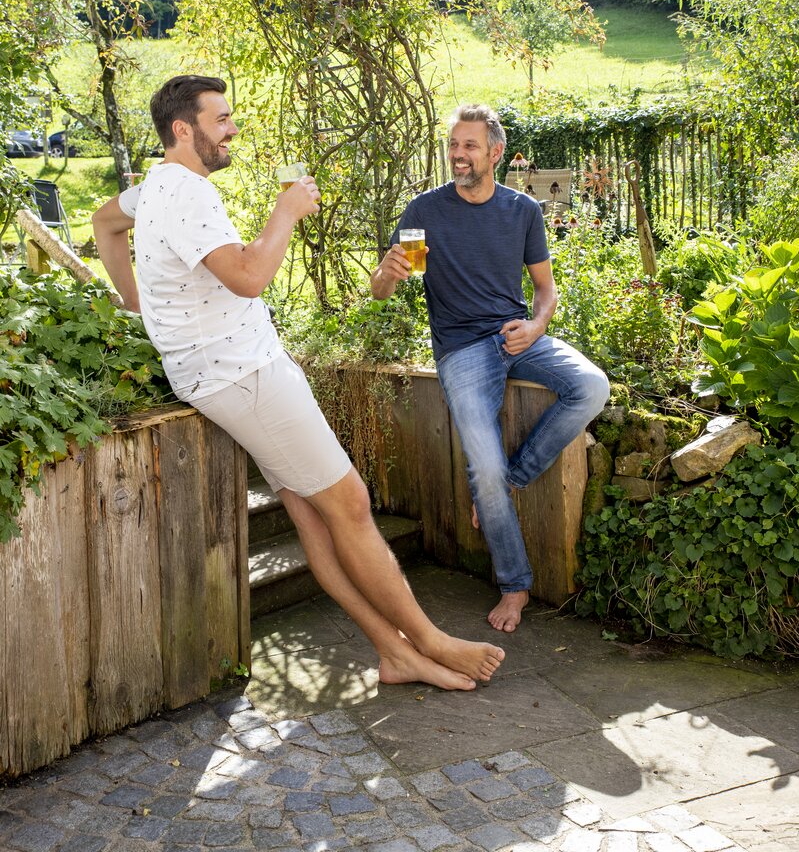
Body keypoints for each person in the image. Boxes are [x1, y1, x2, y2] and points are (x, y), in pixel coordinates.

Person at [92, 75, 505, 692]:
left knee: (315, 519)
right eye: (221, 118)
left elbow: (103, 225)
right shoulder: (186, 194)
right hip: (245, 375)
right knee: (353, 508)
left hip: (227, 373)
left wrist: (138, 305)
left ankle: (395, 656)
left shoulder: (155, 185)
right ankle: (430, 641)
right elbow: (250, 276)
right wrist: (284, 212)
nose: (232, 128)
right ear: (185, 129)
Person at [371, 103, 609, 634]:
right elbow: (389, 287)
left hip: (516, 336)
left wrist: (537, 327)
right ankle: (515, 585)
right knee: (485, 468)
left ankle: (513, 478)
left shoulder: (522, 210)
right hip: (461, 350)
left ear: (495, 153)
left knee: (592, 386)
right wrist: (385, 275)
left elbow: (545, 292)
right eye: (454, 145)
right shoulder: (425, 211)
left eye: (469, 146)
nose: (458, 155)